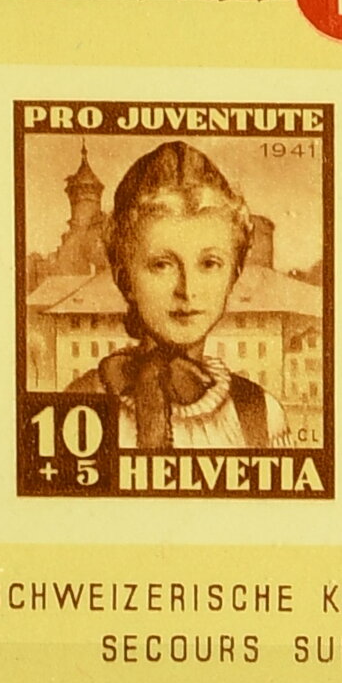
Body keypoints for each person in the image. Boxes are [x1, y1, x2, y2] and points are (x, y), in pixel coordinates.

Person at [70, 137, 285, 463]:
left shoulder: (258, 412)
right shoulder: (81, 404)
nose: (187, 289)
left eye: (209, 263)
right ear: (125, 278)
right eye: (162, 265)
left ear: (235, 272)